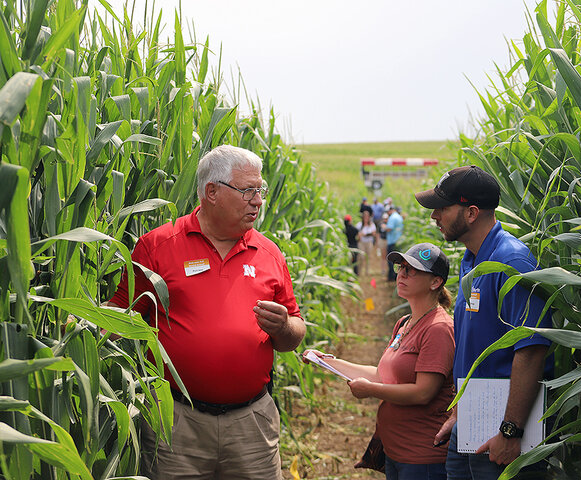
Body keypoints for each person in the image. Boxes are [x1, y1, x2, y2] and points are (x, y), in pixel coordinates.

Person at [107, 145, 306, 479]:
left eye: (260, 191)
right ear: (211, 192)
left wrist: (283, 326)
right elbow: (119, 316)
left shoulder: (269, 253)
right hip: (176, 422)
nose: (258, 200)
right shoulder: (157, 247)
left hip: (252, 425)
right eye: (248, 191)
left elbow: (294, 332)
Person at [415, 165, 553, 480]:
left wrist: (510, 430)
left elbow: (531, 349)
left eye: (442, 208)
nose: (434, 216)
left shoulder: (511, 261)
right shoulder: (470, 260)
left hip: (503, 434)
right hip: (472, 424)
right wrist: (460, 412)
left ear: (472, 213)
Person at [304, 243, 455, 480]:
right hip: (396, 450)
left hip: (422, 457)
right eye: (401, 267)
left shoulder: (438, 328)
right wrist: (330, 362)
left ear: (435, 282)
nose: (401, 274)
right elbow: (382, 374)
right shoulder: (406, 322)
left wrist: (370, 390)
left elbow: (423, 392)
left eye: (412, 270)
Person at [384, 205, 404, 281]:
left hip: (392, 240)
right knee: (397, 260)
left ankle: (391, 276)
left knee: (391, 260)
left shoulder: (392, 217)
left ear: (390, 210)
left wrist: (384, 227)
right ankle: (396, 275)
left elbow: (389, 228)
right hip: (398, 240)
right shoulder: (399, 217)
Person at [356, 210, 377, 275]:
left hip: (369, 242)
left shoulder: (371, 224)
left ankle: (367, 271)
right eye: (364, 217)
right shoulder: (359, 225)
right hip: (361, 242)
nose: (366, 218)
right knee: (361, 257)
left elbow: (374, 233)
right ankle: (360, 271)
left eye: (367, 216)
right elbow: (358, 234)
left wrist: (364, 234)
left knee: (368, 257)